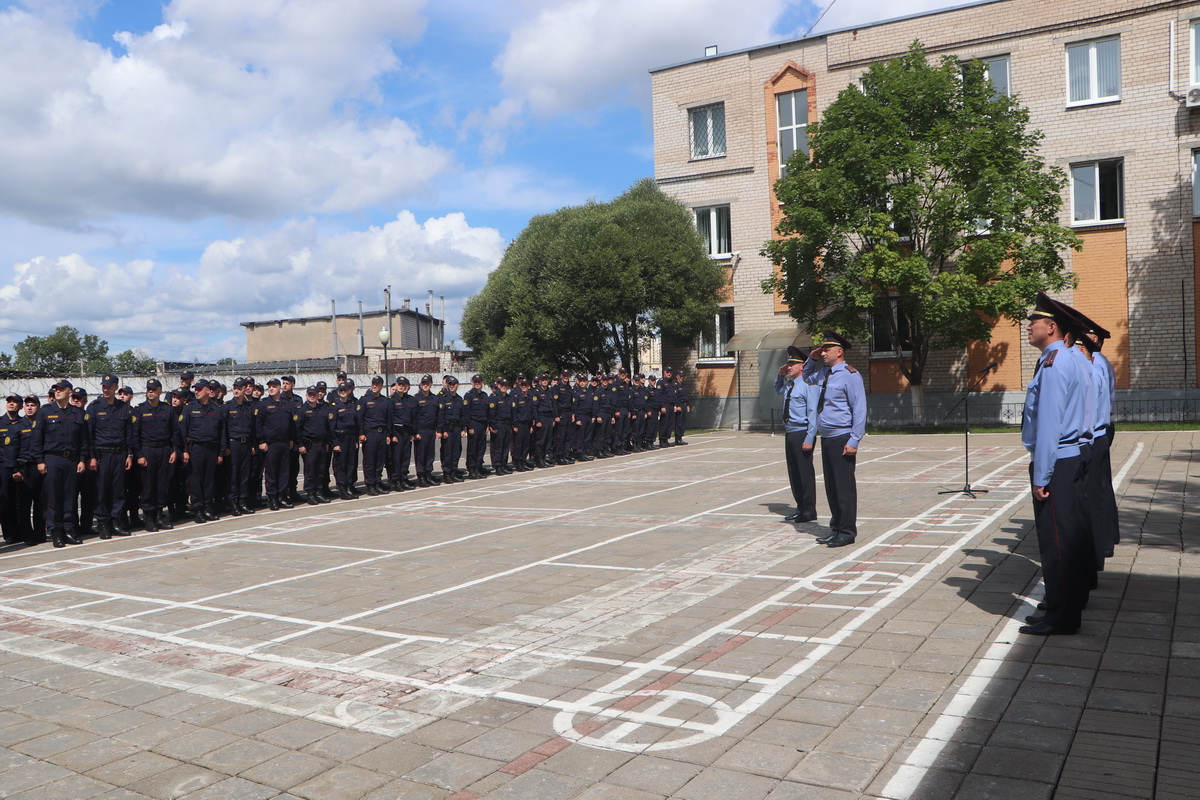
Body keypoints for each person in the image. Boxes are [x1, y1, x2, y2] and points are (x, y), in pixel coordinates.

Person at [1019, 293, 1094, 636]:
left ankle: (1060, 617)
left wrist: (1041, 473)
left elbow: (1049, 424)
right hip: (1071, 456)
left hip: (1057, 462)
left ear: (1051, 327)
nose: (1028, 327)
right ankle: (1068, 603)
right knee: (1070, 538)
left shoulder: (1053, 363)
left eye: (1033, 322)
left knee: (1057, 544)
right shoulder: (1069, 359)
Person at [802, 330, 867, 548]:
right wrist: (811, 358)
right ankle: (836, 527)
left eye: (826, 349)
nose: (823, 353)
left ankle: (847, 531)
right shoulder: (824, 373)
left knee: (843, 487)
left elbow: (859, 409)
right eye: (821, 350)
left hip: (842, 438)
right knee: (831, 486)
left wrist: (854, 440)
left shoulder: (850, 375)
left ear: (839, 351)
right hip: (827, 438)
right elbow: (806, 376)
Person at [31, 381, 89, 547]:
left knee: (70, 497)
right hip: (52, 459)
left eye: (61, 390)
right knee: (54, 497)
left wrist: (82, 459)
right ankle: (56, 531)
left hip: (71, 459)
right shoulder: (45, 412)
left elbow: (83, 440)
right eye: (56, 390)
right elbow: (37, 439)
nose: (57, 392)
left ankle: (69, 530)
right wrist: (39, 461)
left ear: (69, 392)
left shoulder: (77, 413)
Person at [775, 346, 819, 524]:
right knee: (794, 473)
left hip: (802, 433)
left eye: (793, 363)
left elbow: (813, 414)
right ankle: (800, 507)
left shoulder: (808, 385)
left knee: (804, 473)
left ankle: (809, 510)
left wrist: (810, 437)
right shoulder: (789, 385)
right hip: (790, 432)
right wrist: (779, 376)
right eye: (788, 363)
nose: (789, 366)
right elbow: (777, 390)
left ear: (802, 366)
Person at [87, 374, 134, 539]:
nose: (105, 389)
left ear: (115, 387)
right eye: (103, 386)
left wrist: (129, 454)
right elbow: (89, 436)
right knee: (101, 491)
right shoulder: (94, 407)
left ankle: (116, 522)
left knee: (118, 490)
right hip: (102, 455)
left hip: (120, 453)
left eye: (109, 386)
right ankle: (103, 524)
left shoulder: (123, 407)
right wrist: (91, 457)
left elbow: (129, 433)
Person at [133, 378, 178, 531]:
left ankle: (159, 515)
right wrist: (139, 455)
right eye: (148, 389)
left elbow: (175, 432)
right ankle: (149, 518)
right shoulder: (139, 410)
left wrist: (174, 450)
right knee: (148, 486)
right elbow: (135, 435)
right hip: (147, 450)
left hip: (164, 450)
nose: (150, 392)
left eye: (153, 389)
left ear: (160, 391)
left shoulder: (167, 409)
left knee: (161, 485)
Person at [181, 380, 225, 523]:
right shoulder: (189, 408)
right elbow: (182, 432)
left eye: (200, 389)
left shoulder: (216, 410)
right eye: (195, 389)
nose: (196, 391)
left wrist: (220, 452)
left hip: (212, 448)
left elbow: (222, 433)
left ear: (207, 390)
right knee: (196, 480)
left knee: (209, 480)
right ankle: (197, 509)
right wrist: (184, 451)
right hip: (196, 448)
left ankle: (207, 508)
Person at [257, 378, 298, 510]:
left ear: (280, 388)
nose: (271, 388)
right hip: (271, 444)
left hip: (285, 443)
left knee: (284, 472)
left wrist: (291, 439)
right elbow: (259, 425)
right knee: (272, 472)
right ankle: (272, 497)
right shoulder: (264, 404)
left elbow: (291, 423)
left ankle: (282, 496)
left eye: (274, 386)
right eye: (269, 386)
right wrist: (261, 441)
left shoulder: (286, 404)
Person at [15, 396, 45, 544]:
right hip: (25, 468)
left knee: (41, 503)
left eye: (33, 405)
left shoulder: (42, 423)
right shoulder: (18, 425)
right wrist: (15, 470)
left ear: (38, 407)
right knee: (25, 504)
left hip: (40, 468)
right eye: (27, 405)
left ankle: (40, 534)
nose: (30, 408)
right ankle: (27, 535)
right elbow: (12, 450)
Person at [297, 386, 334, 504]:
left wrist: (327, 442)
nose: (312, 396)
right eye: (310, 394)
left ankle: (319, 492)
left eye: (314, 394)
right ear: (307, 395)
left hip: (322, 445)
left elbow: (327, 428)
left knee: (321, 470)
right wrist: (300, 445)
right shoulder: (302, 410)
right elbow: (297, 429)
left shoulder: (322, 409)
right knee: (310, 471)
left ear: (318, 395)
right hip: (309, 446)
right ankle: (310, 494)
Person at [358, 376, 392, 495]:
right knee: (370, 461)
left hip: (382, 434)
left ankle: (377, 482)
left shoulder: (384, 401)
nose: (374, 386)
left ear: (381, 386)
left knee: (379, 461)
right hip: (370, 434)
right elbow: (360, 419)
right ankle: (370, 484)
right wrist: (361, 433)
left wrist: (388, 434)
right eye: (373, 383)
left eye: (377, 384)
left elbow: (388, 419)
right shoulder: (364, 400)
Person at [330, 381, 362, 499]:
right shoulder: (335, 406)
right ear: (338, 392)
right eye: (341, 391)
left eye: (345, 390)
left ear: (349, 391)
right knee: (341, 465)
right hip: (340, 438)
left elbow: (355, 424)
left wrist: (355, 441)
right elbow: (332, 427)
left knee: (350, 464)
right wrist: (335, 443)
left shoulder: (352, 405)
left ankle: (349, 486)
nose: (343, 393)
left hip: (350, 437)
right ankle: (342, 488)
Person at [0, 395, 24, 543]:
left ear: (20, 406)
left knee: (20, 500)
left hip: (20, 466)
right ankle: (9, 533)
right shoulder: (0, 422)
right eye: (9, 402)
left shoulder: (24, 423)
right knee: (5, 500)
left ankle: (21, 531)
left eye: (15, 402)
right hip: (2, 466)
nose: (11, 404)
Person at [388, 377, 417, 491]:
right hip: (397, 432)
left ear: (407, 387)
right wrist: (391, 435)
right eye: (399, 384)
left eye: (403, 385)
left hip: (406, 432)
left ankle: (403, 478)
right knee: (396, 458)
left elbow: (413, 418)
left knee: (405, 457)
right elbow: (389, 419)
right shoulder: (391, 400)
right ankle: (396, 480)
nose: (401, 386)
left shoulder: (410, 400)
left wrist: (413, 432)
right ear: (396, 385)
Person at [438, 376, 466, 482]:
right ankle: (447, 473)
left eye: (454, 384)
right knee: (447, 452)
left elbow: (463, 416)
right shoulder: (444, 398)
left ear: (457, 385)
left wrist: (463, 429)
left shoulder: (459, 399)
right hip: (448, 429)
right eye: (450, 384)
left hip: (457, 428)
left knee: (456, 451)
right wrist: (443, 430)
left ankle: (454, 472)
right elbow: (441, 416)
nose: (452, 386)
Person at [463, 374, 491, 479]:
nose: (477, 384)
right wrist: (469, 427)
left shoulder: (484, 395)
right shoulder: (469, 395)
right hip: (473, 424)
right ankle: (472, 469)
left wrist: (488, 425)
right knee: (472, 448)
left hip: (483, 425)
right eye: (475, 382)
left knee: (481, 447)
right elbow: (466, 413)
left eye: (479, 382)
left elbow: (487, 411)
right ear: (472, 383)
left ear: (482, 383)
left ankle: (478, 466)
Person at [488, 378, 514, 474]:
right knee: (498, 447)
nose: (504, 387)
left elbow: (512, 412)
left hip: (507, 424)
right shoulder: (494, 397)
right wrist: (493, 426)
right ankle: (498, 465)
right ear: (499, 386)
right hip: (498, 424)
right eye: (502, 385)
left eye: (505, 385)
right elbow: (491, 413)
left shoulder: (509, 397)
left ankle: (503, 464)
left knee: (506, 446)